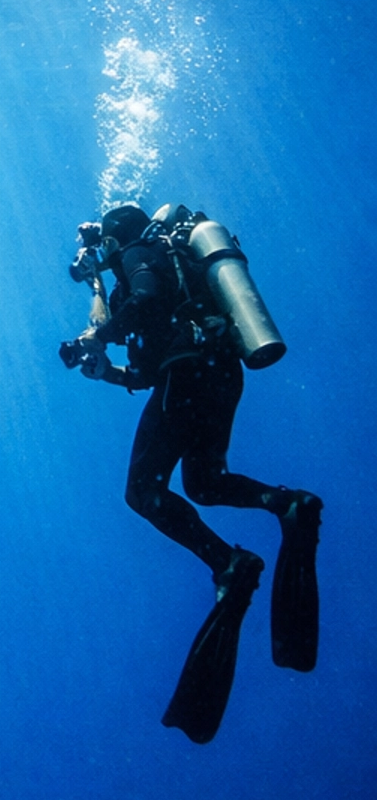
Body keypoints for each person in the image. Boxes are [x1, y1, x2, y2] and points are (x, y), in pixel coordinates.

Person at [61, 202, 321, 743]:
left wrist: (99, 335)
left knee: (142, 491)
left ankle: (229, 564)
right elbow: (148, 368)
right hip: (217, 371)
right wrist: (108, 372)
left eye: (103, 247)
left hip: (188, 374)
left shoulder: (139, 254)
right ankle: (288, 505)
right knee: (205, 482)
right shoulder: (168, 265)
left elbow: (148, 306)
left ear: (114, 239)